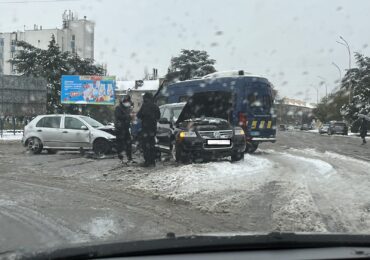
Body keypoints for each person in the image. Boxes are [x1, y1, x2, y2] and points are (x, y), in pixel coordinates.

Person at [137, 92, 160, 167]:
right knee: (152, 145)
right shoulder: (155, 106)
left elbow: (139, 115)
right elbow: (158, 116)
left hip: (145, 129)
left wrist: (146, 117)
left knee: (145, 146)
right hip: (153, 129)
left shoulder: (144, 106)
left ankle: (147, 161)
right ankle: (152, 161)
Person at [114, 94, 133, 163]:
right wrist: (128, 116)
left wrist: (130, 117)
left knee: (128, 143)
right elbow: (119, 116)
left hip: (126, 128)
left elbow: (128, 118)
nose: (128, 103)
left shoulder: (127, 108)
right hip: (120, 129)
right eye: (127, 101)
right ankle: (121, 158)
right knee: (120, 144)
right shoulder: (118, 108)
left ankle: (129, 157)